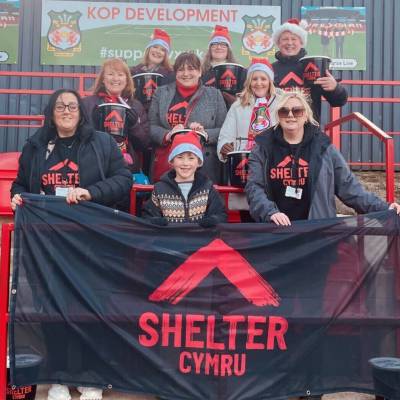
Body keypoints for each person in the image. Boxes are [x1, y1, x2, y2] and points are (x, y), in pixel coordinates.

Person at [10, 88, 132, 400]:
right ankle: (60, 378)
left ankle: (91, 377)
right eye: (60, 106)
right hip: (48, 242)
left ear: (81, 112)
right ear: (51, 112)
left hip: (90, 241)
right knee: (52, 310)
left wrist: (90, 193)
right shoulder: (36, 145)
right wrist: (17, 195)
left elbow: (123, 180)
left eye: (73, 106)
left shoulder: (102, 143)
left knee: (90, 309)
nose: (66, 111)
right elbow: (21, 183)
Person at [245, 91, 400, 227]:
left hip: (317, 232)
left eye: (297, 110)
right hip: (276, 231)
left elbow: (348, 187)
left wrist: (384, 208)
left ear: (306, 115)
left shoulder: (323, 146)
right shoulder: (263, 146)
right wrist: (270, 213)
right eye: (284, 111)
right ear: (278, 116)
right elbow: (254, 187)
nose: (290, 115)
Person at [148, 51, 227, 184]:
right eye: (181, 69)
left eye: (191, 69)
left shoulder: (215, 95)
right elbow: (151, 127)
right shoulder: (161, 93)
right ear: (175, 72)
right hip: (167, 163)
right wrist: (168, 134)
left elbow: (225, 130)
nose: (186, 74)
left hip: (204, 166)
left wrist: (205, 134)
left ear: (200, 72)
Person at [142, 130, 227, 226]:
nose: (185, 163)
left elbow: (221, 215)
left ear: (199, 162)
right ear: (171, 161)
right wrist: (155, 221)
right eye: (180, 157)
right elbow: (147, 217)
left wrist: (213, 220)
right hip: (169, 240)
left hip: (200, 240)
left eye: (191, 158)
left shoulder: (208, 188)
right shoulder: (159, 189)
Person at [82, 58, 150, 176]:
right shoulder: (87, 103)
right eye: (110, 74)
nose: (115, 79)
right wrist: (93, 124)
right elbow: (79, 137)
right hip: (95, 164)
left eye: (120, 75)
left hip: (127, 168)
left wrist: (134, 125)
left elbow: (144, 144)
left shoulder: (135, 106)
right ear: (103, 79)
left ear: (127, 79)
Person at [272, 18, 348, 122]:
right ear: (278, 43)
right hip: (277, 129)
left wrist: (335, 88)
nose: (289, 43)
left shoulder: (315, 66)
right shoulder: (270, 69)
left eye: (294, 39)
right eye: (285, 39)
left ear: (301, 42)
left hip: (309, 131)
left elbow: (338, 101)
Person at [217, 57, 279, 159]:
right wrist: (224, 146)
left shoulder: (281, 104)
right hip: (244, 160)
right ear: (249, 82)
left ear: (270, 82)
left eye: (263, 79)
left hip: (274, 159)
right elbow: (226, 134)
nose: (259, 83)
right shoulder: (238, 106)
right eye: (254, 79)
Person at [130, 28, 175, 111]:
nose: (158, 51)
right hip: (139, 116)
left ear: (166, 54)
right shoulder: (134, 72)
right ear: (148, 49)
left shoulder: (171, 75)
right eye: (155, 47)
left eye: (162, 50)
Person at [201, 24, 240, 108]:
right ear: (210, 48)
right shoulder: (200, 70)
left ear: (228, 49)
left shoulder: (238, 71)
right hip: (206, 114)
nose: (218, 47)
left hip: (230, 114)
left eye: (223, 44)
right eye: (214, 44)